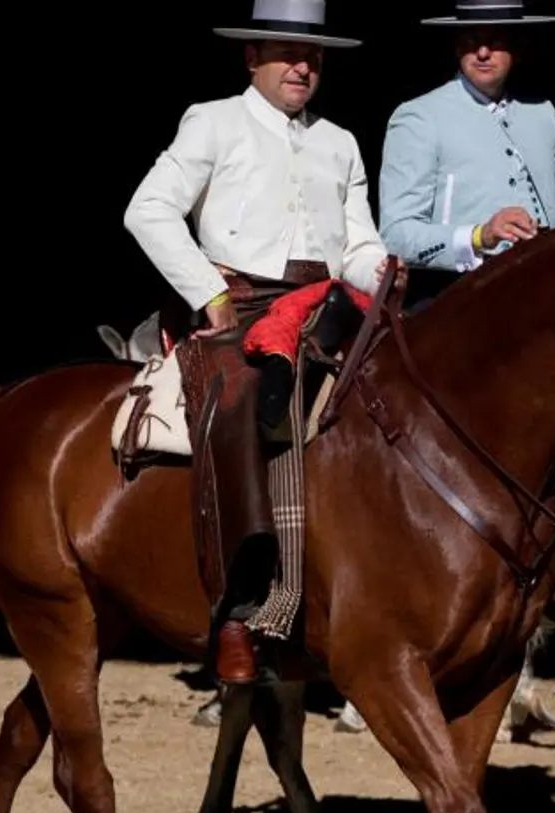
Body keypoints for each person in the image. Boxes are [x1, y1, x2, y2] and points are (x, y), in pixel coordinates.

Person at [123, 0, 405, 687]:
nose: (302, 66)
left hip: (329, 305)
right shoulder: (213, 120)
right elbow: (148, 209)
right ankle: (236, 610)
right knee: (244, 401)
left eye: (313, 56)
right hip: (240, 303)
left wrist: (387, 270)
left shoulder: (339, 141)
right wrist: (206, 292)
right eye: (286, 52)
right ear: (252, 57)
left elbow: (358, 241)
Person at [378, 0, 555, 310]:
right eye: (471, 41)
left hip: (548, 299)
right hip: (457, 301)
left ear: (517, 47)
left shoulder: (542, 113)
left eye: (495, 41)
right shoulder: (419, 116)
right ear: (456, 47)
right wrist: (479, 236)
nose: (482, 53)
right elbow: (396, 235)